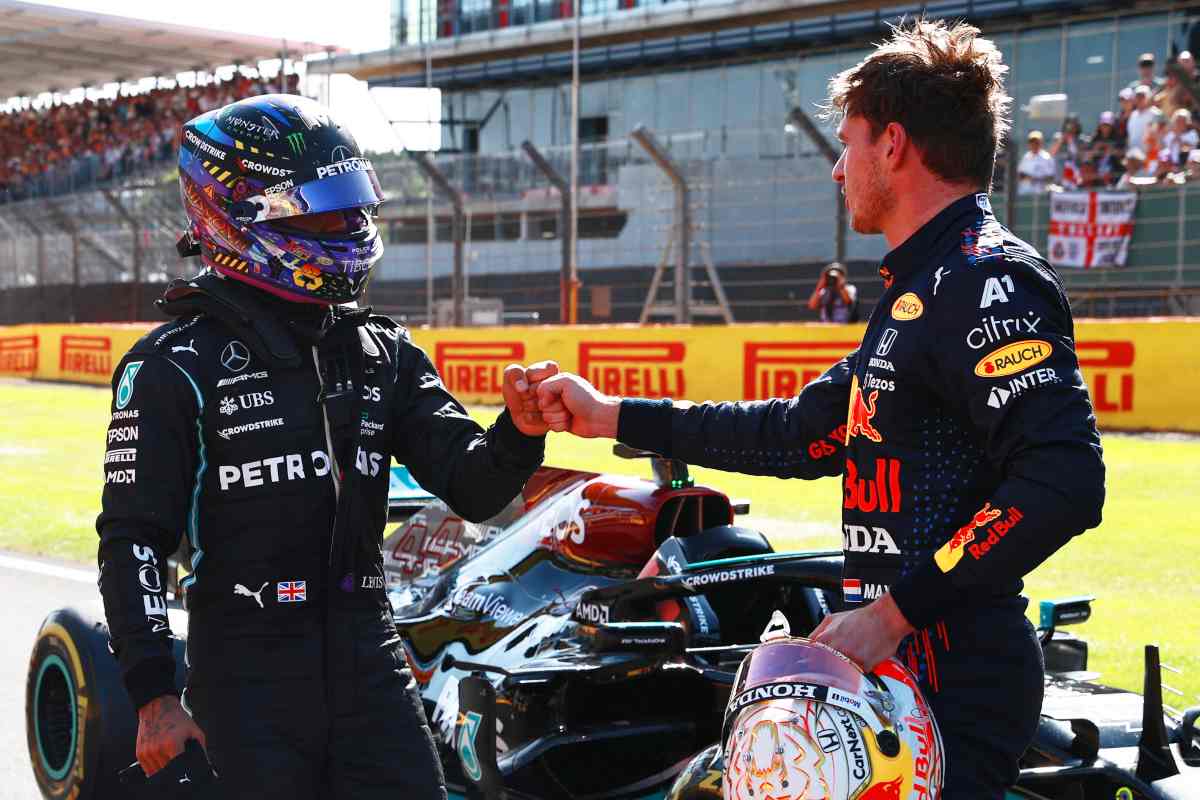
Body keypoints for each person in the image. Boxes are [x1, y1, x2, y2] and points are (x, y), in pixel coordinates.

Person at [529, 19, 1105, 800]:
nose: (839, 170)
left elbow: (1064, 480)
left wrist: (897, 612)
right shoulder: (920, 292)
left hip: (953, 675)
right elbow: (796, 434)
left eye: (849, 144)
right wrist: (607, 417)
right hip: (898, 669)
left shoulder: (985, 280)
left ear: (893, 145)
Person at [97, 94, 555, 799]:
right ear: (236, 212)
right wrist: (155, 694)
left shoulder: (384, 351)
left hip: (372, 666)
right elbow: (133, 540)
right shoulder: (170, 365)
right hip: (245, 680)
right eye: (322, 209)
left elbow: (477, 487)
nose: (348, 226)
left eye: (353, 205)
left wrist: (520, 430)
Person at [1127, 85, 1162, 160]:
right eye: (1138, 96)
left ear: (1148, 97)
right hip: (1135, 158)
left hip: (1151, 157)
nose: (1140, 99)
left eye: (1142, 96)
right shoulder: (1133, 115)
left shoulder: (1156, 113)